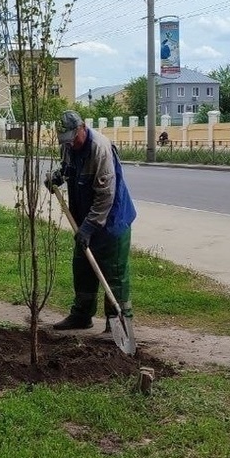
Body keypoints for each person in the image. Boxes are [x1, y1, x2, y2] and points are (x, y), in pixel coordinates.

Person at [45, 110, 137, 330]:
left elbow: (105, 196)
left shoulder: (100, 149)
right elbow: (69, 168)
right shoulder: (68, 145)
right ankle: (82, 315)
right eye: (65, 141)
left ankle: (119, 322)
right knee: (83, 267)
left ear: (82, 128)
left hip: (111, 221)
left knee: (113, 273)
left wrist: (89, 227)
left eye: (73, 139)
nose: (71, 144)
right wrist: (59, 176)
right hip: (85, 218)